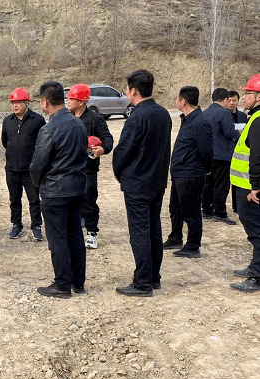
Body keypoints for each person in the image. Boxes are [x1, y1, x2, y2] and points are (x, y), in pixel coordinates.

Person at [113, 70, 172, 297]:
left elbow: (123, 151)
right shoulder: (163, 113)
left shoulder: (137, 116)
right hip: (157, 181)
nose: (126, 93)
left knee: (140, 233)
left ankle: (142, 283)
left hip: (137, 183)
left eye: (127, 89)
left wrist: (119, 171)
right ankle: (153, 276)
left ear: (134, 90)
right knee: (153, 229)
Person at [30, 81, 87, 299]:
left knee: (57, 239)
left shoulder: (49, 129)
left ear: (44, 102)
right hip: (77, 188)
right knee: (74, 235)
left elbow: (37, 165)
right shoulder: (78, 123)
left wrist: (37, 184)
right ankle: (77, 281)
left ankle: (62, 284)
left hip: (55, 191)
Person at [163, 86, 213, 258]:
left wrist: (204, 170)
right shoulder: (188, 119)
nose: (176, 101)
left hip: (191, 174)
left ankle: (193, 245)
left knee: (191, 211)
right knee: (175, 208)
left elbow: (206, 151)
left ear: (183, 101)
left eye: (177, 98)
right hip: (180, 173)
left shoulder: (200, 122)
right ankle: (175, 237)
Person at [66, 83, 114, 249]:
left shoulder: (95, 119)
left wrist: (103, 149)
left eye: (71, 98)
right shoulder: (67, 118)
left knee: (89, 201)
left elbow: (108, 139)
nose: (68, 100)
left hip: (88, 168)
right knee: (71, 200)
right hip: (69, 168)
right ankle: (74, 229)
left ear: (81, 101)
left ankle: (92, 233)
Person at [1, 87, 45, 241]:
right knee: (14, 199)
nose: (15, 105)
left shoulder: (38, 120)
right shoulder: (7, 121)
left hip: (30, 170)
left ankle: (36, 226)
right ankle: (16, 225)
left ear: (26, 102)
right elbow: (5, 142)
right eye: (13, 102)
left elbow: (42, 143)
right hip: (12, 168)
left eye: (18, 102)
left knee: (34, 199)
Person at [230, 74, 260, 292]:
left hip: (251, 188)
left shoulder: (258, 121)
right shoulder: (255, 118)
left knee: (257, 232)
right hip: (247, 185)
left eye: (249, 93)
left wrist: (256, 186)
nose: (245, 97)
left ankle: (257, 276)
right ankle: (254, 267)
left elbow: (257, 157)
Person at [202, 88, 239, 225]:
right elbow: (229, 132)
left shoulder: (205, 113)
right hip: (222, 155)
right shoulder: (224, 113)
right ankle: (220, 212)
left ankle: (206, 210)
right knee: (222, 185)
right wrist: (239, 133)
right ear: (224, 100)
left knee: (208, 183)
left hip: (208, 154)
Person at [228, 90, 248, 214]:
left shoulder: (242, 115)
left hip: (240, 150)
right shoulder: (224, 115)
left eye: (234, 100)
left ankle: (236, 206)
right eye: (229, 100)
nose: (232, 103)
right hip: (228, 150)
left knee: (238, 180)